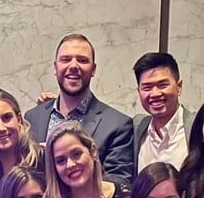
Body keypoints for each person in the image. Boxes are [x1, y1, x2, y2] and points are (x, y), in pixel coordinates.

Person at [23, 33, 134, 182]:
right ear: (56, 67)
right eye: (66, 59)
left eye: (82, 60)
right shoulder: (33, 117)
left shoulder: (117, 124)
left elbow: (119, 184)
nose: (74, 66)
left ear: (93, 69)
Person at [132, 52, 193, 171]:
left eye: (162, 85)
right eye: (147, 87)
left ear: (179, 87)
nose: (155, 94)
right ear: (138, 91)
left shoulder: (197, 127)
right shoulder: (136, 128)